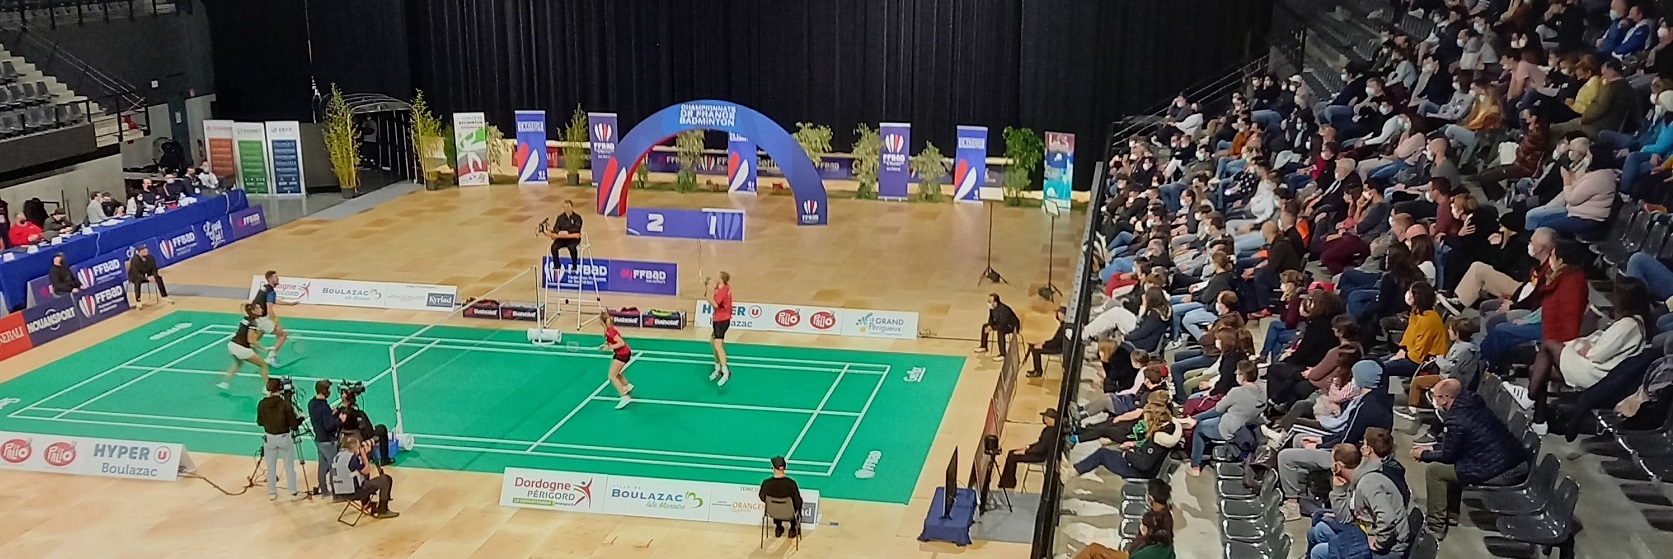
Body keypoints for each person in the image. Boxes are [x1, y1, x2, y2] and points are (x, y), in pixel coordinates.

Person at [1527, 277, 1653, 433]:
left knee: (1548, 346)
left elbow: (1597, 355)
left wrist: (1587, 348)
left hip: (1597, 374)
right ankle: (1539, 421)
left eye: (1616, 294)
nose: (1613, 298)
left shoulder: (1629, 325)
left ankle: (1529, 398)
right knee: (1537, 370)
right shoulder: (1631, 322)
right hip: (1594, 368)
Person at [1413, 379, 1530, 539]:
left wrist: (1424, 454)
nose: (1433, 399)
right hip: (1510, 460)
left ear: (1445, 398)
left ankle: (1436, 526)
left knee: (1435, 471)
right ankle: (1451, 515)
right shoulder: (1472, 404)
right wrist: (1432, 449)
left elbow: (1448, 456)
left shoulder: (1456, 419)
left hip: (1502, 470)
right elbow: (1454, 448)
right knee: (1454, 465)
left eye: (1436, 395)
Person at [1305, 429, 1412, 559]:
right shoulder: (1359, 477)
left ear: (1338, 465)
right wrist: (1338, 490)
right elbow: (1345, 519)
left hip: (1389, 551)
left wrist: (1378, 543)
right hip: (1365, 533)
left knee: (1318, 552)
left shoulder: (1368, 483)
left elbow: (1387, 518)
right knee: (1319, 530)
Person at [1067, 391, 1182, 480]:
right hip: (1138, 461)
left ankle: (1070, 473)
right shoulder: (1166, 429)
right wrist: (1135, 445)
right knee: (1105, 434)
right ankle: (1073, 468)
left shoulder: (1158, 439)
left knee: (1101, 454)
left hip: (1139, 472)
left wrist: (1127, 454)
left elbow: (1144, 464)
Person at [1184, 360, 1266, 474]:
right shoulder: (1263, 391)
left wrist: (1196, 418)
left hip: (1229, 428)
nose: (1235, 373)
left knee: (1200, 428)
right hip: (1247, 429)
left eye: (1237, 372)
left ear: (1242, 376)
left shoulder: (1237, 392)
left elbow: (1217, 410)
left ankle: (1195, 466)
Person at [1398, 317, 1481, 421]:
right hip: (1446, 375)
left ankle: (1412, 409)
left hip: (1446, 378)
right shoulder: (1463, 345)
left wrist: (1439, 358)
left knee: (1417, 382)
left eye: (1451, 330)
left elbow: (1448, 366)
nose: (1448, 331)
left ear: (1457, 334)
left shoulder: (1464, 349)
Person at [1381, 281, 1449, 380]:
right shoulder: (1416, 313)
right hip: (1408, 354)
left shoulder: (1428, 320)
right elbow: (1409, 336)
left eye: (1411, 292)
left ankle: (1381, 395)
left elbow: (1418, 355)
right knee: (1374, 363)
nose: (1408, 295)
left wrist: (1403, 355)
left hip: (1421, 362)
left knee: (1383, 368)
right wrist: (1402, 350)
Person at [255, 377, 302, 500]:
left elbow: (259, 422)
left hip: (269, 438)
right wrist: (301, 417)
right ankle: (293, 493)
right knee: (289, 466)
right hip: (284, 438)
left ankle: (272, 493)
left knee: (270, 467)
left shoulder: (262, 404)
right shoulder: (285, 404)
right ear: (280, 388)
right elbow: (294, 425)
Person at [332, 432, 399, 518]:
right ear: (355, 448)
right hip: (353, 492)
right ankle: (383, 510)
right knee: (386, 479)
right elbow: (366, 470)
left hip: (339, 492)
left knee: (363, 479)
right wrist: (364, 455)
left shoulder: (337, 456)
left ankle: (366, 504)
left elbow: (352, 469)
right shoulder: (352, 458)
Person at [999, 408, 1062, 489]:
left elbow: (1041, 449)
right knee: (1012, 452)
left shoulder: (1051, 433)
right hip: (1038, 452)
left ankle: (1008, 484)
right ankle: (1008, 482)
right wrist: (1027, 447)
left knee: (1012, 456)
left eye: (1047, 418)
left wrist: (1025, 452)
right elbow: (1039, 443)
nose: (1045, 420)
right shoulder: (1047, 429)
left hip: (1040, 456)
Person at [218, 304, 272, 390]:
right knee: (263, 365)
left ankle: (224, 383)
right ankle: (267, 388)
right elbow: (251, 340)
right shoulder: (253, 323)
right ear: (253, 311)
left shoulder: (245, 319)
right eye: (258, 308)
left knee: (238, 363)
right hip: (241, 348)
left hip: (232, 345)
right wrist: (264, 348)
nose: (261, 309)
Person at [308, 380, 344, 498]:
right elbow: (328, 426)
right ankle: (336, 493)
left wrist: (331, 414)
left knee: (322, 467)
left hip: (319, 439)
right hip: (328, 441)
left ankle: (324, 491)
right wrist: (339, 420)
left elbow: (320, 419)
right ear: (325, 391)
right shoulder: (324, 407)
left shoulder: (311, 403)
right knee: (333, 465)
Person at [252, 271, 295, 366]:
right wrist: (276, 322)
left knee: (258, 335)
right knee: (283, 335)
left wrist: (289, 303)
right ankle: (270, 357)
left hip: (255, 316)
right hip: (263, 318)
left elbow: (272, 300)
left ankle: (243, 348)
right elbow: (269, 309)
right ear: (270, 279)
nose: (278, 279)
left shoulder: (264, 288)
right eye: (276, 277)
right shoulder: (270, 291)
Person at [599, 311, 637, 409]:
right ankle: (627, 386)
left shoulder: (610, 332)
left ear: (602, 321)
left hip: (623, 353)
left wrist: (609, 348)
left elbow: (621, 343)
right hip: (620, 353)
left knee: (612, 376)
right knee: (616, 373)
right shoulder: (607, 330)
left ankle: (624, 397)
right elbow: (612, 342)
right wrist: (606, 346)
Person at [759, 456, 804, 538]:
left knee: (776, 505)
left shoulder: (766, 483)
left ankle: (778, 528)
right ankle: (793, 529)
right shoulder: (791, 483)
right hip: (790, 513)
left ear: (773, 468)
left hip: (773, 513)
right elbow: (798, 501)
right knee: (796, 503)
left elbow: (762, 497)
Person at [705, 271, 734, 386]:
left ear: (721, 279)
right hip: (719, 320)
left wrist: (707, 291)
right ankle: (717, 366)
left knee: (718, 345)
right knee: (712, 342)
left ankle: (725, 372)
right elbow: (715, 289)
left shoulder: (723, 291)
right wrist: (709, 285)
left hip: (721, 321)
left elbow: (714, 304)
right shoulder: (725, 286)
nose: (716, 277)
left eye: (718, 276)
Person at [1027, 306, 1070, 377]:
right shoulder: (1063, 325)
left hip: (1058, 348)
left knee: (1036, 350)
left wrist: (1043, 345)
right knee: (1033, 346)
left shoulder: (1064, 327)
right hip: (1056, 345)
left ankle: (1038, 371)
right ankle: (1036, 369)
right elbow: (1055, 340)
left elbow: (1056, 342)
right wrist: (1044, 342)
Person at [978, 293, 1021, 361]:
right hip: (1000, 323)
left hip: (1011, 326)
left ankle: (1002, 354)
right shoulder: (992, 308)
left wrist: (992, 328)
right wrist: (990, 325)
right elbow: (991, 318)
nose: (988, 303)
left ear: (995, 302)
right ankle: (983, 346)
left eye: (990, 301)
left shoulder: (1003, 310)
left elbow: (1002, 324)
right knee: (985, 326)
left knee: (1001, 331)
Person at [545, 199, 584, 271]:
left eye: (568, 207)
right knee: (554, 247)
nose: (567, 209)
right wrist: (559, 232)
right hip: (561, 238)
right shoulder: (560, 218)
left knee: (571, 247)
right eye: (565, 207)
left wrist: (567, 232)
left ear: (572, 207)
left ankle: (574, 265)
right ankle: (557, 265)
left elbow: (577, 229)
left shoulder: (577, 218)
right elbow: (556, 228)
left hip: (573, 239)